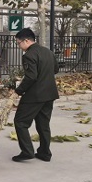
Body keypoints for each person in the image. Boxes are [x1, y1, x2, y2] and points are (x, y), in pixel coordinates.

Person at [12, 28, 59, 163]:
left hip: (34, 96)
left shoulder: (29, 55)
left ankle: (27, 151)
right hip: (50, 94)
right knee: (43, 124)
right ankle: (45, 153)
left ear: (26, 41)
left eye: (19, 43)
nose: (19, 46)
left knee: (20, 122)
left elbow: (31, 77)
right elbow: (56, 69)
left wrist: (18, 91)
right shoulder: (48, 52)